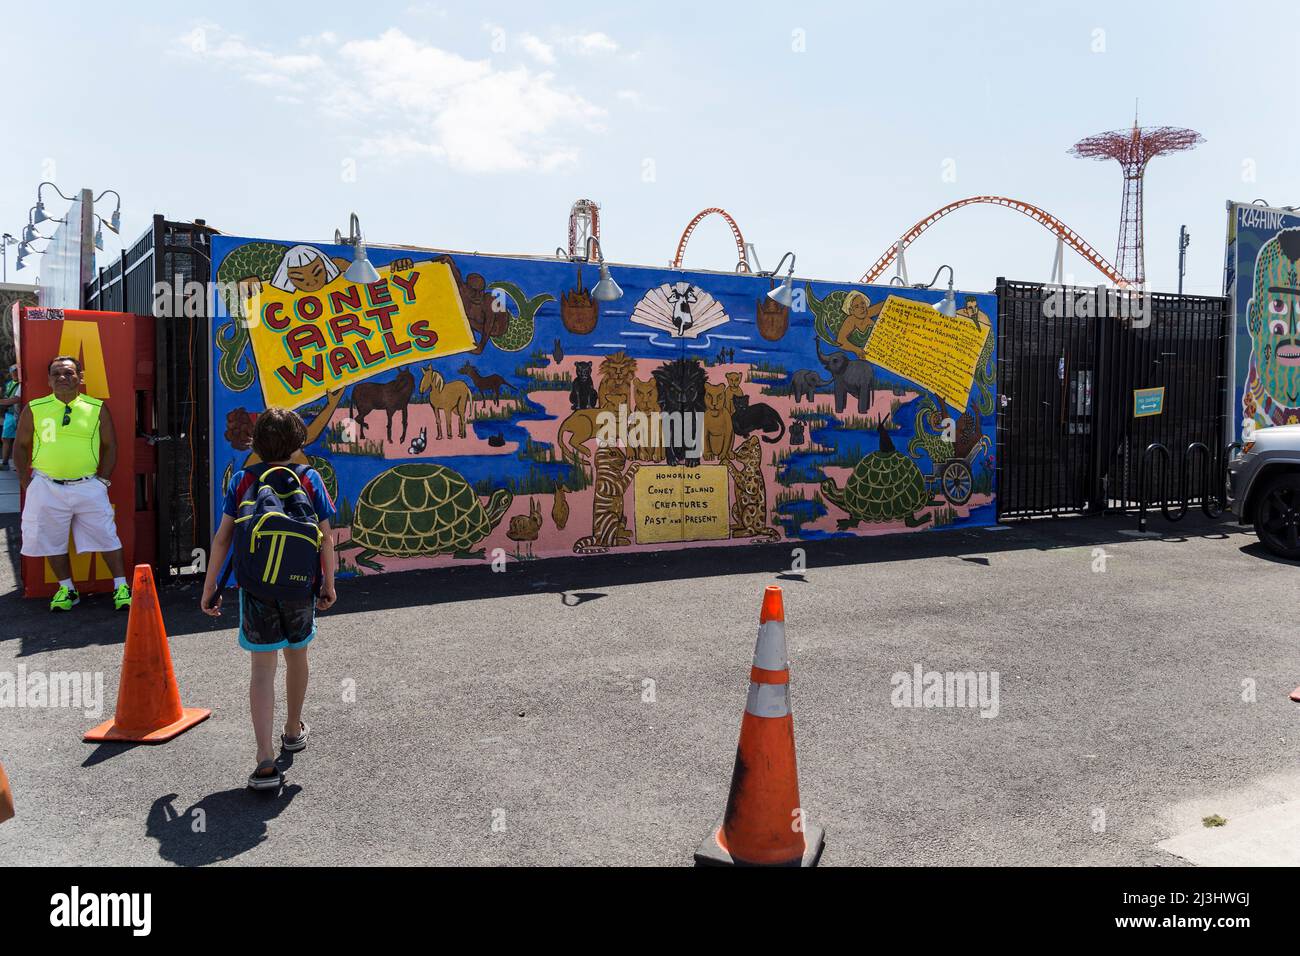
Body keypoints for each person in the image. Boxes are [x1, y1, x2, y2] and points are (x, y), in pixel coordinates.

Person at [200, 407, 337, 790]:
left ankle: (263, 760)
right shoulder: (309, 478)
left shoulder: (243, 480)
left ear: (256, 443)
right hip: (299, 586)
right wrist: (329, 583)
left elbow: (223, 539)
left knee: (262, 670)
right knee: (298, 657)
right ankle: (292, 729)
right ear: (299, 442)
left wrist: (210, 588)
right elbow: (326, 537)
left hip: (255, 587)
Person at [13, 356, 131, 612]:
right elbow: (20, 447)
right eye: (56, 374)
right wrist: (27, 483)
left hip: (88, 485)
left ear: (81, 377)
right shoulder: (34, 407)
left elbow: (110, 445)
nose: (62, 378)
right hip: (45, 485)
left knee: (106, 535)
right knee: (50, 540)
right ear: (48, 380)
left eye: (68, 373)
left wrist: (104, 480)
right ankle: (67, 589)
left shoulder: (96, 407)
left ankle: (121, 587)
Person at [0, 364, 20, 470]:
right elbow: (7, 397)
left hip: (19, 414)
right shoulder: (8, 384)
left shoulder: (23, 384)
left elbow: (15, 399)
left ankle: (17, 464)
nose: (15, 374)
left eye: (17, 371)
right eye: (13, 372)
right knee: (6, 438)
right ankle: (5, 463)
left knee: (19, 439)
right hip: (10, 413)